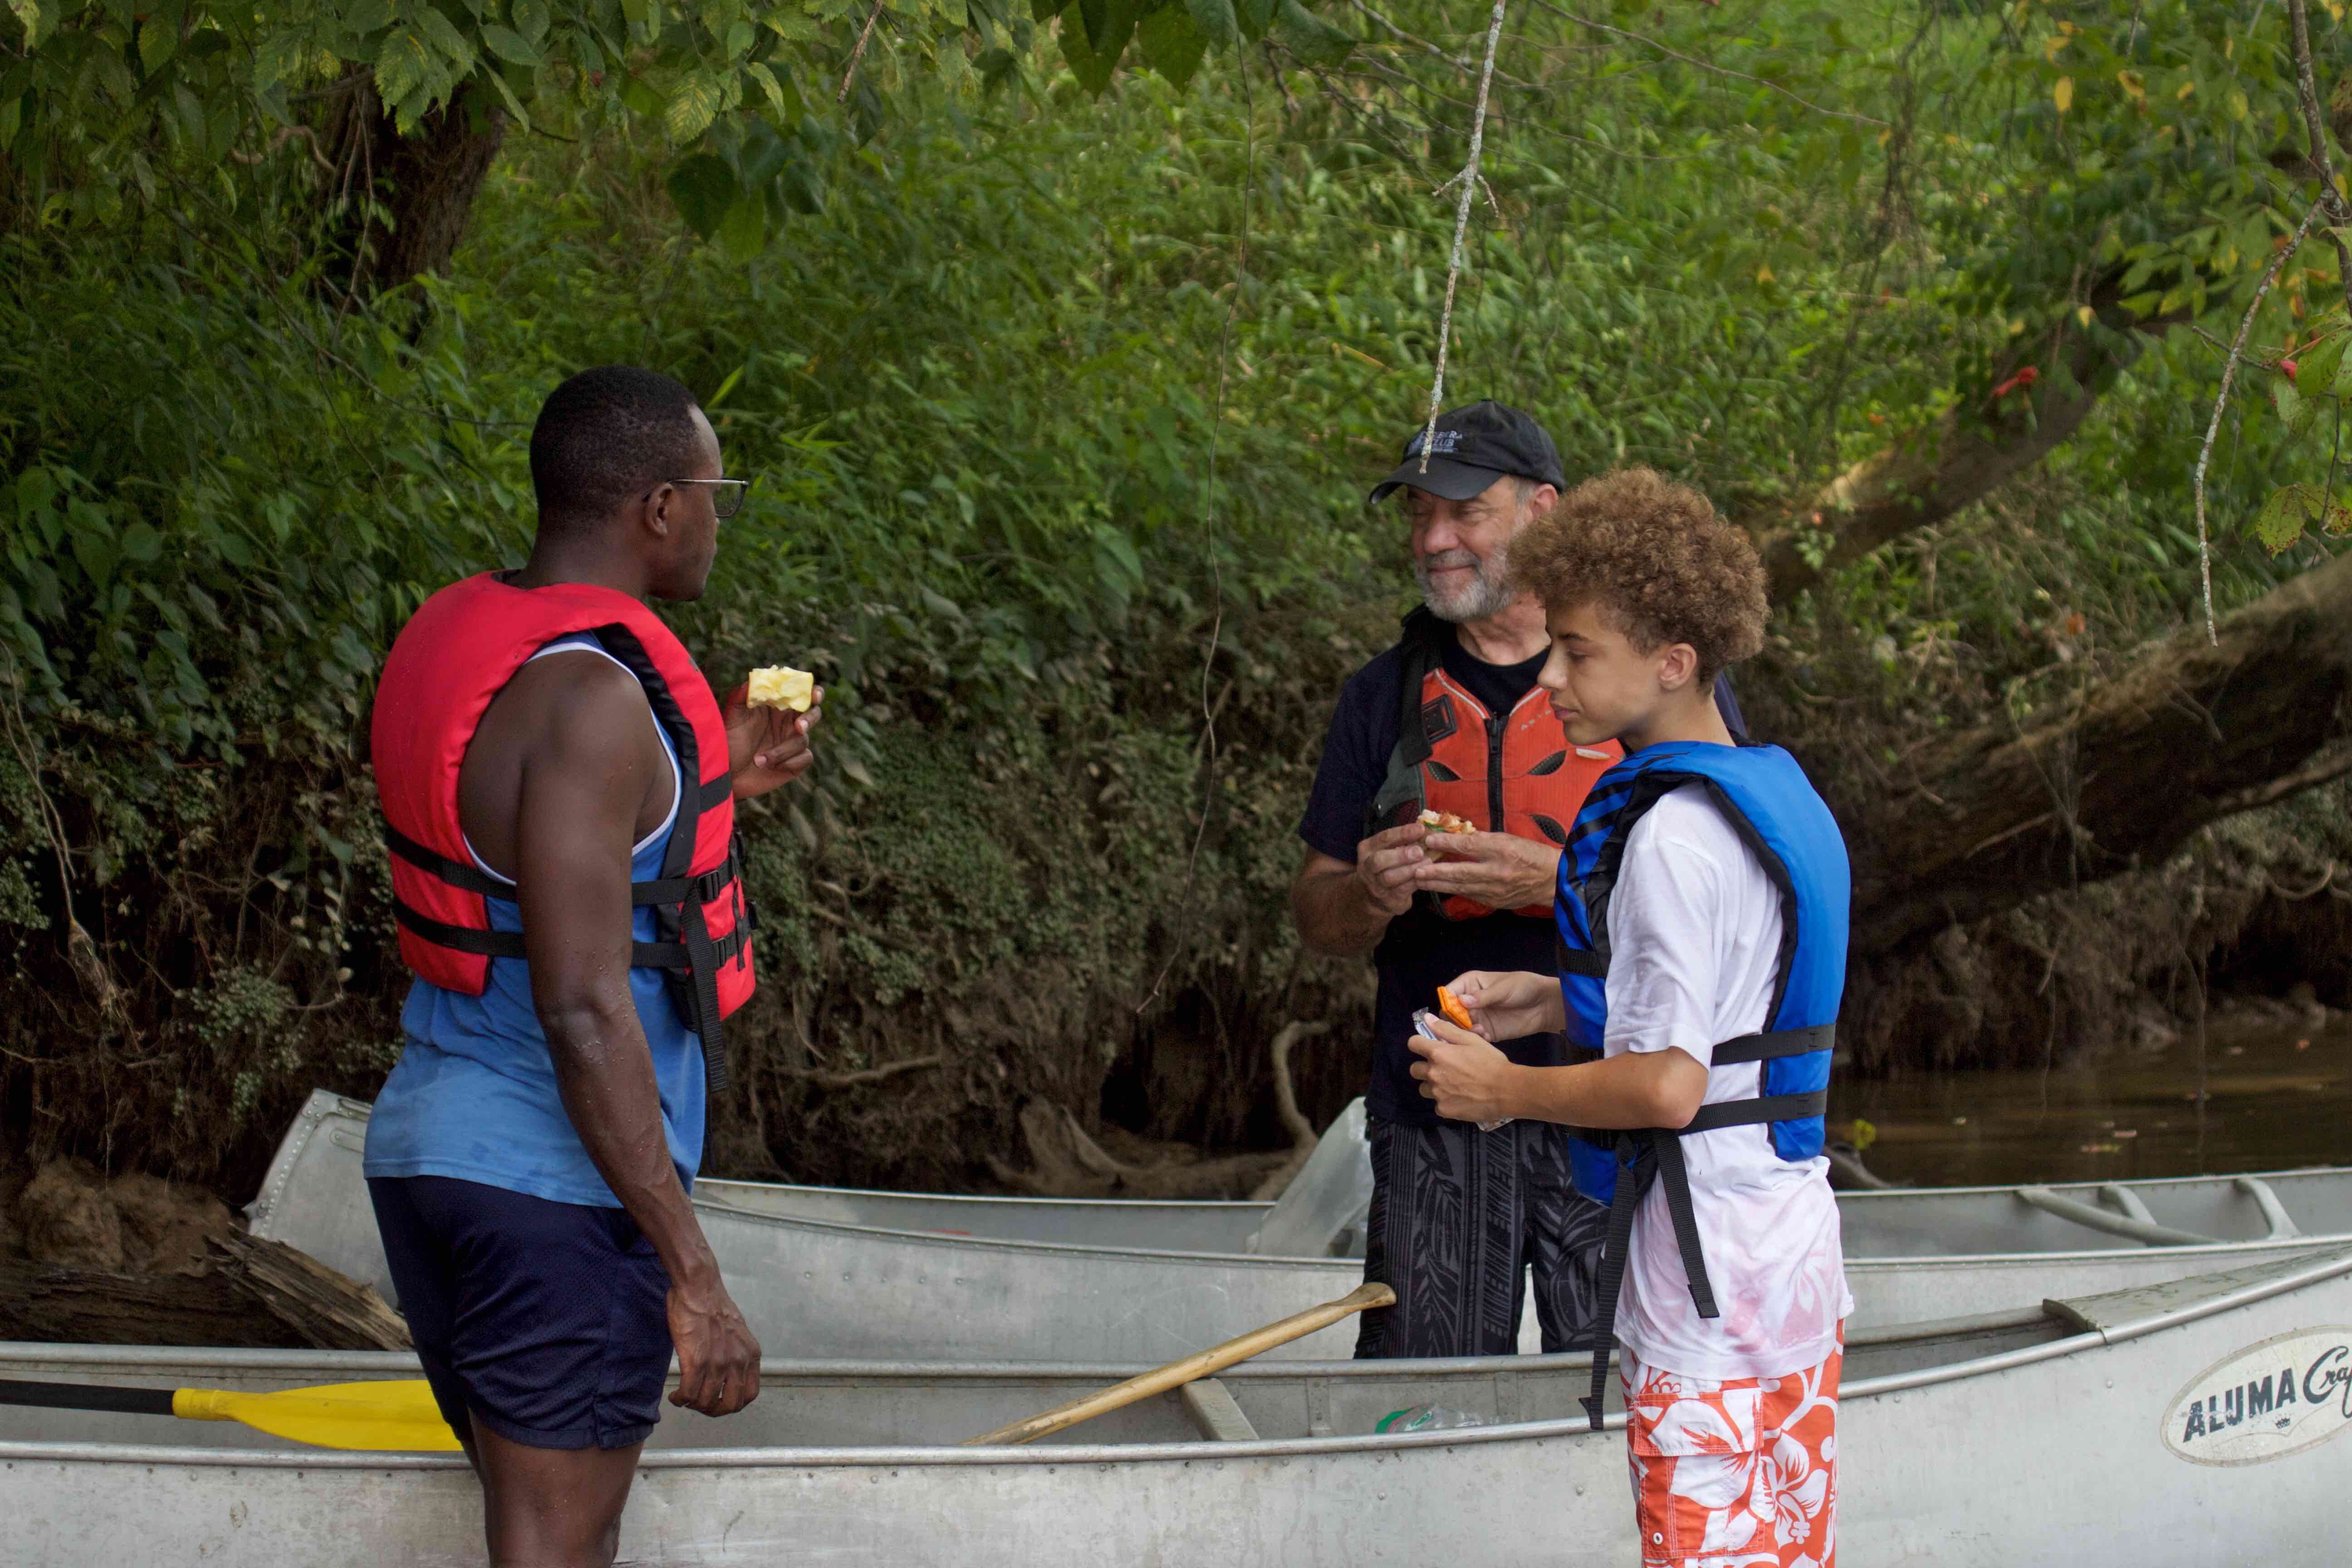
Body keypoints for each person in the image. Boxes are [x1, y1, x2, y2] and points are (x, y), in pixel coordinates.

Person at [363, 366, 820, 1567]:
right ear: (661, 508)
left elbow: (549, 870)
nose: (718, 518)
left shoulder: (507, 655)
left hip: (434, 1155)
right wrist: (693, 1271)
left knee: (550, 1536)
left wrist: (714, 778)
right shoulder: (597, 700)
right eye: (716, 492)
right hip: (552, 1192)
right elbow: (578, 1006)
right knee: (558, 1548)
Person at [1408, 467, 1851, 1568]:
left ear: (1673, 662)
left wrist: (1503, 1090)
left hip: (1706, 1300)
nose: (1551, 677)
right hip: (1790, 1266)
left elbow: (1668, 1086)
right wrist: (1551, 1000)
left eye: (1578, 652)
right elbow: (1733, 1010)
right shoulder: (1760, 790)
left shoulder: (1668, 838)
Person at [1292, 400, 1749, 1358]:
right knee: (1424, 1397)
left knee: (1624, 1379)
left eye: (1465, 512)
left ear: (1543, 512)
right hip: (1437, 1103)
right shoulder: (1380, 696)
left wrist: (1554, 881)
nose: (1435, 539)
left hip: (1617, 1100)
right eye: (1419, 514)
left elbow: (1741, 899)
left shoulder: (1648, 686)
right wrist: (1368, 894)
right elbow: (1318, 917)